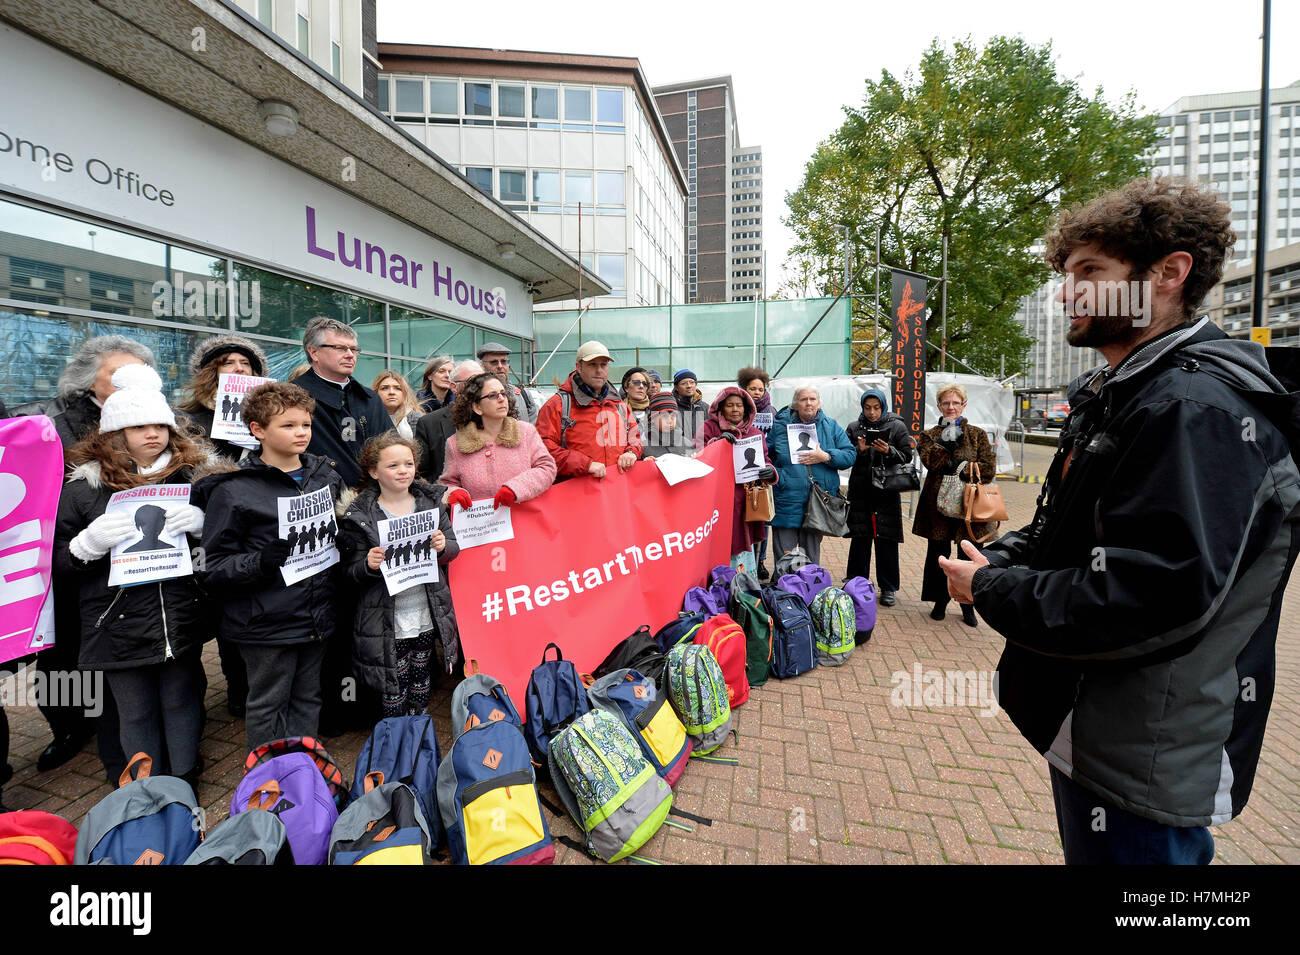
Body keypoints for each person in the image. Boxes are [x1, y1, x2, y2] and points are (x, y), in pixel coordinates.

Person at [941, 177, 1300, 866]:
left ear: (1169, 274)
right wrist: (1005, 556)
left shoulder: (1194, 410)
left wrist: (992, 591)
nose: (1067, 292)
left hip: (1148, 761)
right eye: (1065, 274)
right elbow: (1066, 528)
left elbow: (1146, 595)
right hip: (1101, 731)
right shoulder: (1125, 392)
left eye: (1089, 272)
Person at [53, 364, 214, 789]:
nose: (152, 434)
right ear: (115, 434)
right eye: (138, 426)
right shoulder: (83, 489)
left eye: (159, 424)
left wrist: (204, 522)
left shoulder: (195, 477)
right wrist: (85, 546)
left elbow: (229, 540)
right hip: (116, 622)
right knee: (135, 710)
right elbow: (55, 563)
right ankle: (146, 788)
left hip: (178, 615)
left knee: (181, 701)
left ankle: (182, 780)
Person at [15, 335, 153, 776]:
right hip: (70, 549)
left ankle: (136, 725)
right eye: (118, 374)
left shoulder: (158, 419)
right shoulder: (49, 421)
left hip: (137, 556)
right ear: (87, 379)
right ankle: (71, 727)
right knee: (65, 648)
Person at [195, 381, 347, 752]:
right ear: (258, 430)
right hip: (264, 621)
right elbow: (211, 566)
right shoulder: (233, 490)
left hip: (316, 613)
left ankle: (304, 770)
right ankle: (266, 781)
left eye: (306, 425)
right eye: (288, 426)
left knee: (309, 696)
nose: (300, 433)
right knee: (268, 703)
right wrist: (259, 562)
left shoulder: (324, 475)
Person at [339, 434, 460, 718]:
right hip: (386, 619)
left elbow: (454, 548)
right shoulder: (360, 514)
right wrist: (368, 565)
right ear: (373, 472)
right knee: (393, 683)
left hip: (426, 613)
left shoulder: (431, 503)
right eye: (393, 465)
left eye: (408, 463)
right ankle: (396, 733)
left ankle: (418, 725)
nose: (403, 470)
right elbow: (348, 572)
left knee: (422, 676)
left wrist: (443, 547)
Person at [911, 383, 995, 626]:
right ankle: (940, 600)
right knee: (939, 555)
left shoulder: (977, 434)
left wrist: (961, 469)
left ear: (964, 405)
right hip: (937, 506)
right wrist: (946, 443)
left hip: (969, 505)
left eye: (955, 403)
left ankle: (968, 605)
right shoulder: (929, 435)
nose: (950, 407)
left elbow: (988, 470)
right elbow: (931, 463)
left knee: (967, 555)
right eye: (946, 403)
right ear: (939, 406)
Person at [293, 316, 390, 488]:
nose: (350, 355)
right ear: (314, 352)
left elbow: (391, 447)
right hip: (317, 499)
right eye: (340, 348)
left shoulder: (370, 398)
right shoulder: (292, 398)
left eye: (354, 349)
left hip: (376, 498)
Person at [439, 373, 557, 511]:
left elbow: (547, 468)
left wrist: (516, 488)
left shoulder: (526, 432)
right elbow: (448, 483)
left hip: (525, 521)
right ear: (477, 407)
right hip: (481, 527)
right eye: (492, 395)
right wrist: (453, 493)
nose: (501, 399)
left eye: (503, 393)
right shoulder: (455, 443)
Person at [767, 386, 856, 565]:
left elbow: (850, 454)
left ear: (819, 403)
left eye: (812, 399)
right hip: (787, 499)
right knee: (784, 558)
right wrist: (778, 474)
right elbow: (766, 455)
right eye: (803, 399)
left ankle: (809, 588)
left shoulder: (831, 426)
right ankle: (783, 589)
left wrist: (826, 456)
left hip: (817, 502)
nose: (808, 403)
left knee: (811, 559)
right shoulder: (780, 426)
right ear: (795, 404)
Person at [694, 386, 778, 575]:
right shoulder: (708, 428)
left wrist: (770, 472)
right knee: (715, 544)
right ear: (720, 408)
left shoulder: (755, 433)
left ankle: (741, 586)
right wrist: (716, 444)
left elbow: (766, 460)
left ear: (746, 408)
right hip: (715, 502)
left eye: (739, 405)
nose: (734, 409)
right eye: (729, 405)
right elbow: (696, 456)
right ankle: (717, 586)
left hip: (746, 502)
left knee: (741, 546)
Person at [845, 389, 913, 607]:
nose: (872, 412)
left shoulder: (897, 426)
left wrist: (889, 451)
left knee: (887, 540)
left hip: (886, 490)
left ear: (883, 406)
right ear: (862, 407)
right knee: (860, 538)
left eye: (876, 407)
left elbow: (907, 456)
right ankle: (857, 583)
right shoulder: (855, 427)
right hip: (861, 490)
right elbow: (845, 456)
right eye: (867, 407)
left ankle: (888, 588)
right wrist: (859, 449)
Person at [535, 341, 642, 481]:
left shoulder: (619, 404)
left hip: (615, 490)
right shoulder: (557, 404)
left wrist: (631, 453)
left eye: (603, 365)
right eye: (592, 364)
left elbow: (635, 437)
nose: (599, 370)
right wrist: (584, 464)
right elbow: (542, 447)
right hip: (576, 493)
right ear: (579, 367)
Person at [178, 335, 270, 462]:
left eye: (245, 363)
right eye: (228, 363)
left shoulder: (270, 416)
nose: (239, 368)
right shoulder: (186, 418)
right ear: (212, 373)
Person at [414, 359, 483, 483]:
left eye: (483, 380)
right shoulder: (429, 423)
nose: (479, 387)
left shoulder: (499, 419)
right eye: (472, 381)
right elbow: (420, 473)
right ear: (453, 387)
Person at [738, 367, 775, 578]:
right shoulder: (738, 408)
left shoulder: (772, 411)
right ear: (745, 388)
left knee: (762, 517)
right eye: (753, 388)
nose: (757, 392)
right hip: (742, 469)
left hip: (762, 472)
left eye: (760, 389)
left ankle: (760, 560)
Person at [477, 341, 538, 424]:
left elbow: (533, 431)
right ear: (482, 366)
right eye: (494, 362)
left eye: (504, 361)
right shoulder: (475, 394)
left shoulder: (524, 394)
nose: (500, 366)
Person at [372, 369, 423, 440]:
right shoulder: (367, 418)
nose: (391, 392)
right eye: (385, 388)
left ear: (404, 393)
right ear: (375, 392)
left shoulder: (417, 418)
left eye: (397, 388)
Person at [642, 392, 688, 459]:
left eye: (673, 416)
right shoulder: (642, 448)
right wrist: (645, 464)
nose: (669, 421)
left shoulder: (686, 442)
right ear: (653, 419)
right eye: (664, 416)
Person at [672, 369, 707, 441]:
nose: (689, 386)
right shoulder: (671, 407)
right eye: (684, 383)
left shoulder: (705, 407)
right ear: (676, 387)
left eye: (692, 382)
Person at [620, 366, 653, 436]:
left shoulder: (654, 410)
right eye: (636, 382)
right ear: (626, 387)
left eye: (645, 384)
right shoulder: (617, 411)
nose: (641, 386)